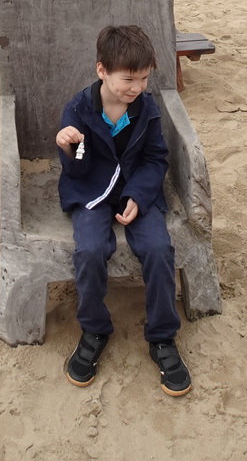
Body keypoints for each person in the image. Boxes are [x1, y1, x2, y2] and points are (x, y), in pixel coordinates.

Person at [56, 25, 191, 397]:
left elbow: (154, 157)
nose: (137, 87)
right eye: (128, 79)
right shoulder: (79, 108)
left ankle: (162, 336)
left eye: (144, 78)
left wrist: (138, 195)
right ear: (102, 70)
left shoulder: (146, 108)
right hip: (93, 191)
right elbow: (77, 171)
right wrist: (68, 148)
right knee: (90, 250)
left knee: (158, 249)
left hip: (136, 189)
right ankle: (95, 329)